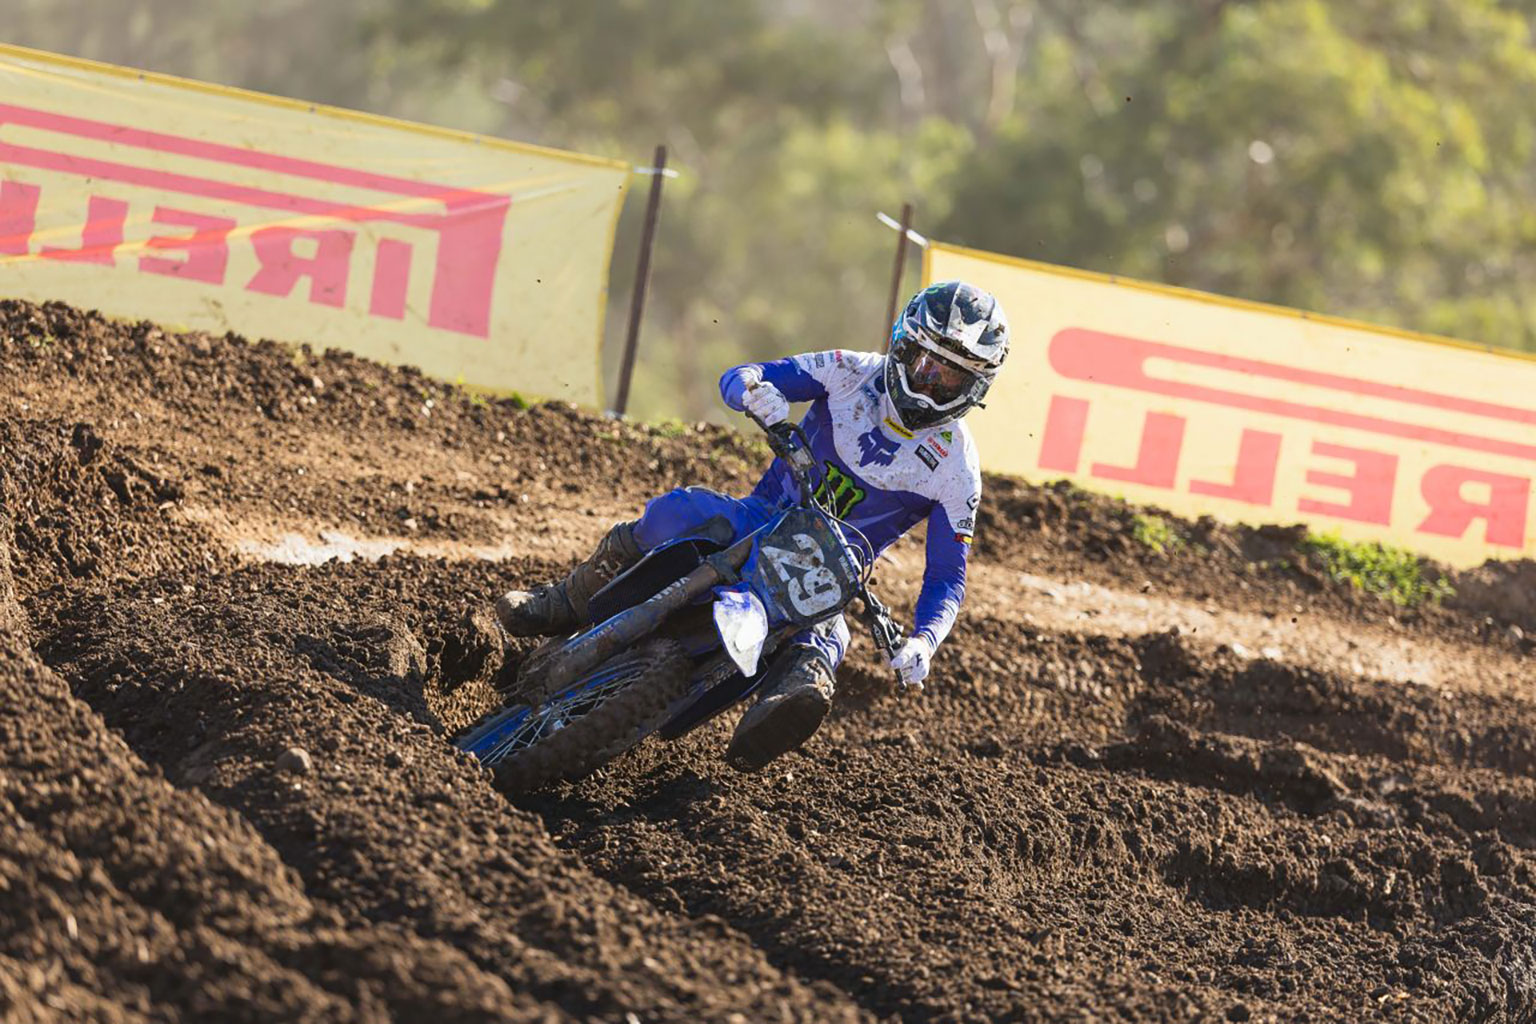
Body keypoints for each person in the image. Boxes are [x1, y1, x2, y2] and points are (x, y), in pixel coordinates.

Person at [496, 280, 1009, 771]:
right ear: (902, 344)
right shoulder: (849, 370)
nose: (929, 383)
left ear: (975, 387)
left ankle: (768, 728)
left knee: (825, 648)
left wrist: (924, 640)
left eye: (950, 378)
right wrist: (754, 392)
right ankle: (566, 600)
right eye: (923, 362)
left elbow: (948, 575)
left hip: (828, 572)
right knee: (677, 512)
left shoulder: (957, 469)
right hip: (762, 517)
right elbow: (742, 375)